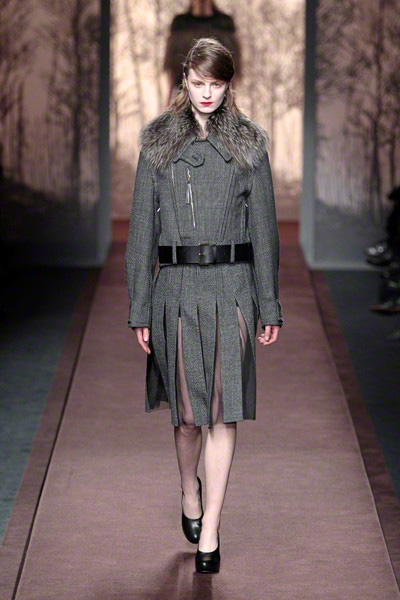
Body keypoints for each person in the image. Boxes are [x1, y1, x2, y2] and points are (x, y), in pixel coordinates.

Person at [125, 37, 283, 574]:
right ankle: (189, 490)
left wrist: (269, 304)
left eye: (217, 83)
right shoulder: (157, 144)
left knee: (222, 409)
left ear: (228, 84)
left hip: (234, 285)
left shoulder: (249, 145)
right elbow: (141, 232)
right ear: (184, 81)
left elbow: (265, 230)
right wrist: (140, 307)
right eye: (199, 83)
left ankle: (211, 528)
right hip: (175, 289)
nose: (208, 93)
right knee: (190, 417)